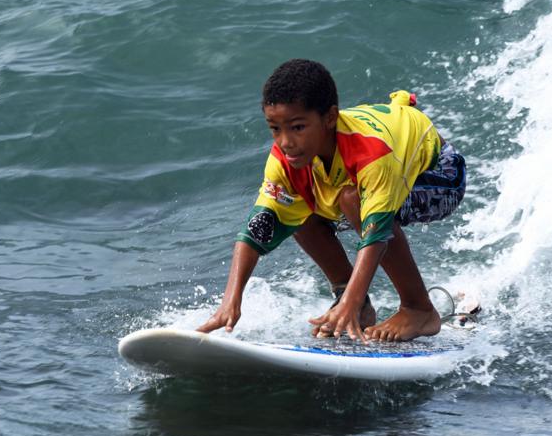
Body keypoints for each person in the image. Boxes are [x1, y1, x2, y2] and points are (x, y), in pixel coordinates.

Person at [196, 59, 466, 341]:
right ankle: (356, 305)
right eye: (275, 129)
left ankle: (418, 309)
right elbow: (256, 230)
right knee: (293, 206)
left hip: (440, 174)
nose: (285, 142)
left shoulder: (371, 153)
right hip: (370, 178)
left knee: (353, 201)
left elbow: (378, 234)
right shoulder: (286, 161)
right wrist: (231, 300)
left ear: (329, 118)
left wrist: (348, 303)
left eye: (297, 127)